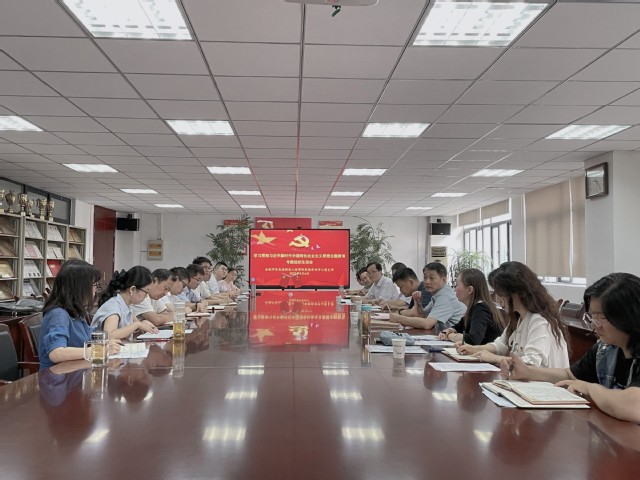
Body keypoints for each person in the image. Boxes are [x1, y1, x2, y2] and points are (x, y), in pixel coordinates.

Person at [504, 273, 640, 423]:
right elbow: (570, 375)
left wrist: (589, 388)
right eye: (592, 316)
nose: (595, 325)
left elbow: (633, 406)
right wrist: (527, 372)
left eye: (602, 317)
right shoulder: (605, 349)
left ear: (630, 315)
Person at [457, 261, 570, 368]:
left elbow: (530, 363)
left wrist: (494, 358)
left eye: (499, 293)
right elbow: (500, 345)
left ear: (515, 293)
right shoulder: (518, 317)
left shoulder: (540, 321)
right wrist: (473, 349)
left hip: (544, 382)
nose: (497, 299)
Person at [39, 259, 120, 370]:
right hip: (58, 377)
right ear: (80, 287)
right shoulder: (58, 314)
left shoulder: (75, 311)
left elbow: (88, 336)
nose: (95, 291)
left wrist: (106, 343)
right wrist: (97, 350)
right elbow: (56, 354)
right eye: (94, 285)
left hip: (75, 371)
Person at [389, 262, 466, 330]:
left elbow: (427, 324)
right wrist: (418, 303)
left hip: (456, 337)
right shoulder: (437, 294)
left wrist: (399, 318)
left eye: (432, 278)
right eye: (425, 278)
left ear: (443, 280)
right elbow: (423, 315)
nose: (427, 282)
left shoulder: (445, 296)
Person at [438, 268, 504, 345]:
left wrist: (451, 336)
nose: (455, 289)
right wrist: (449, 331)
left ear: (469, 290)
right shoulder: (474, 308)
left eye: (457, 285)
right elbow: (459, 327)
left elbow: (473, 339)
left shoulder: (481, 309)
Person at [91, 266, 159, 340]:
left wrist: (143, 323)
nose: (146, 297)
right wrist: (137, 324)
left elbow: (136, 325)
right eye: (146, 292)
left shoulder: (125, 305)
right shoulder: (113, 307)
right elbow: (110, 335)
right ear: (132, 289)